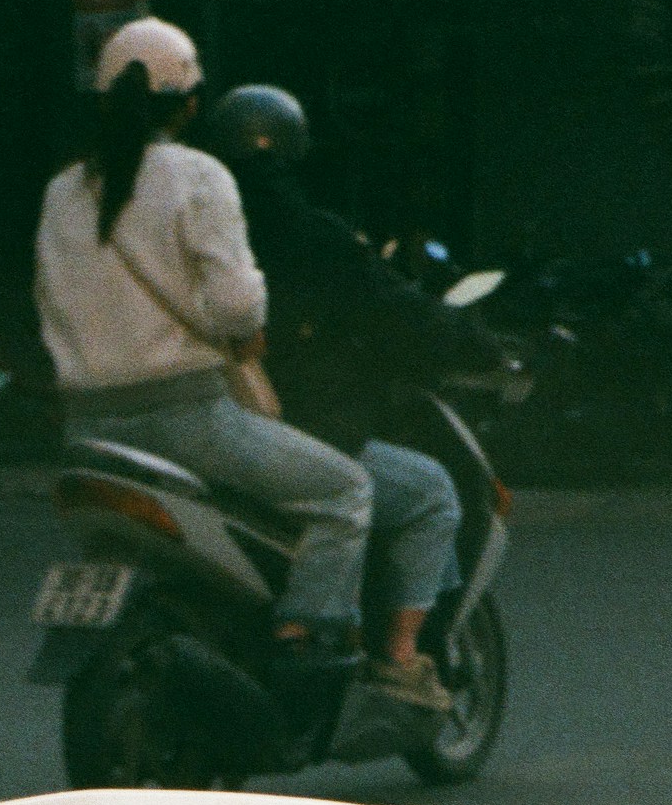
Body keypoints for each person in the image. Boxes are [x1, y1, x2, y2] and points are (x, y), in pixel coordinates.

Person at [35, 18, 377, 687]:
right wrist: (243, 331)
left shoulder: (61, 192)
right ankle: (302, 637)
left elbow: (51, 301)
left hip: (84, 431)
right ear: (191, 105)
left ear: (103, 99)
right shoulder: (198, 175)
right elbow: (237, 306)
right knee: (346, 493)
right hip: (188, 423)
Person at [200, 84, 506, 708]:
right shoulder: (309, 236)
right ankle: (392, 657)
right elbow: (393, 310)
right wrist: (480, 347)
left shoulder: (194, 231)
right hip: (289, 428)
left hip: (194, 419)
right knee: (428, 492)